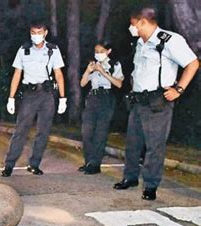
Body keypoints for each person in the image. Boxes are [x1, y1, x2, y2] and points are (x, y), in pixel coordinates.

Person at [113, 7, 199, 200]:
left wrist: (179, 89)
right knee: (133, 144)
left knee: (154, 146)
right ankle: (130, 178)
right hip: (138, 101)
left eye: (133, 24)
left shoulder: (170, 40)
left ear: (143, 22)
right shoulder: (140, 43)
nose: (131, 28)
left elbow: (192, 63)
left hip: (158, 100)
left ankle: (150, 186)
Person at [1, 21, 67, 177]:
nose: (36, 36)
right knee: (20, 131)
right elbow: (17, 74)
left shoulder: (53, 50)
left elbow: (58, 74)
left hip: (47, 94)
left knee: (43, 132)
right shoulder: (24, 50)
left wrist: (63, 98)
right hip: (30, 95)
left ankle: (34, 164)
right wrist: (11, 97)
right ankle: (9, 165)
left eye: (39, 32)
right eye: (33, 33)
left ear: (45, 33)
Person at [79, 41, 124, 174]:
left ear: (108, 51)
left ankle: (95, 164)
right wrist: (88, 71)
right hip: (92, 97)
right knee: (87, 131)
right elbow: (82, 83)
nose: (98, 54)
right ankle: (88, 161)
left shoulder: (114, 65)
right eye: (96, 52)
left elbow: (119, 84)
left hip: (106, 98)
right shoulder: (93, 64)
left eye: (101, 51)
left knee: (100, 132)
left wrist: (103, 72)